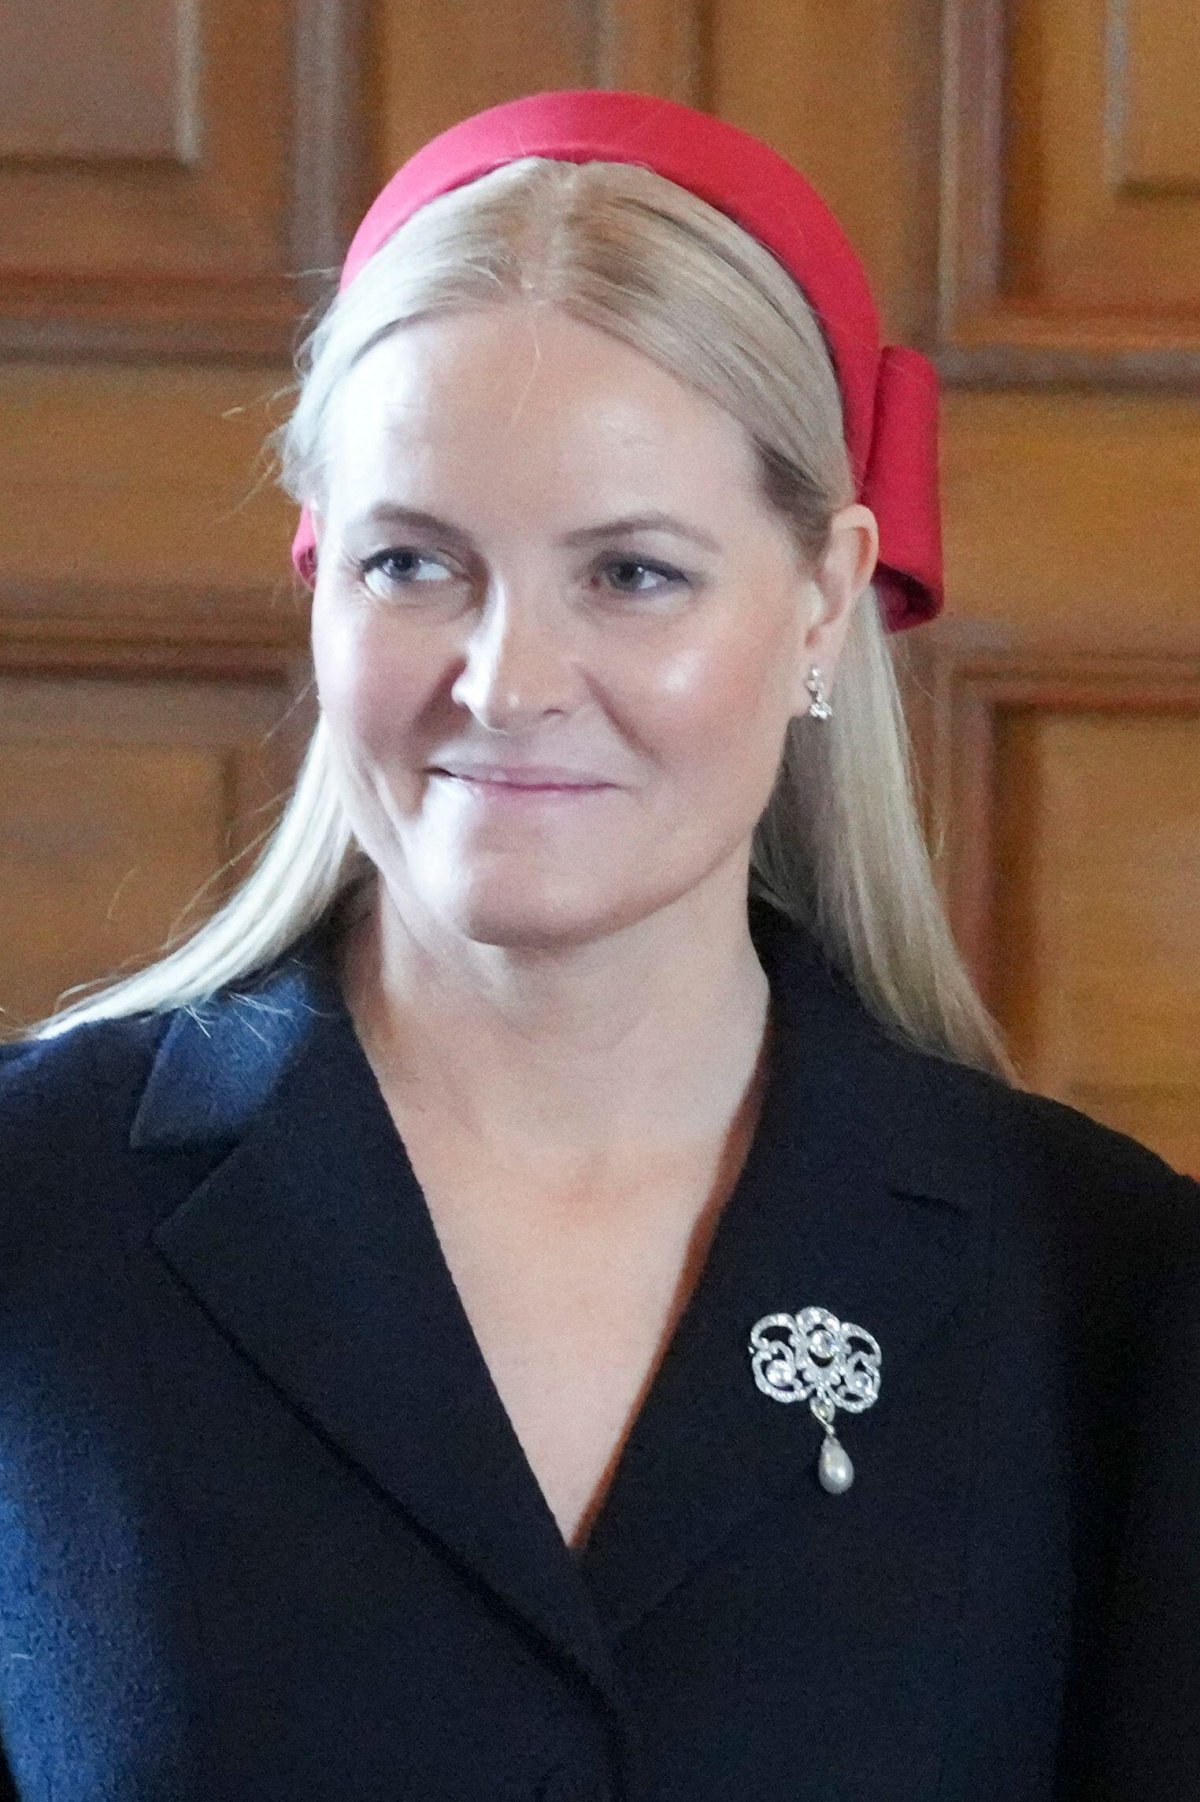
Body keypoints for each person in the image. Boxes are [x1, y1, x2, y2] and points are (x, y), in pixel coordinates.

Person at [0, 88, 1196, 1802]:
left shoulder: (1103, 1287)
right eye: (414, 563)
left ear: (824, 596)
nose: (506, 682)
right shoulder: (31, 1213)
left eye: (632, 574)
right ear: (318, 579)